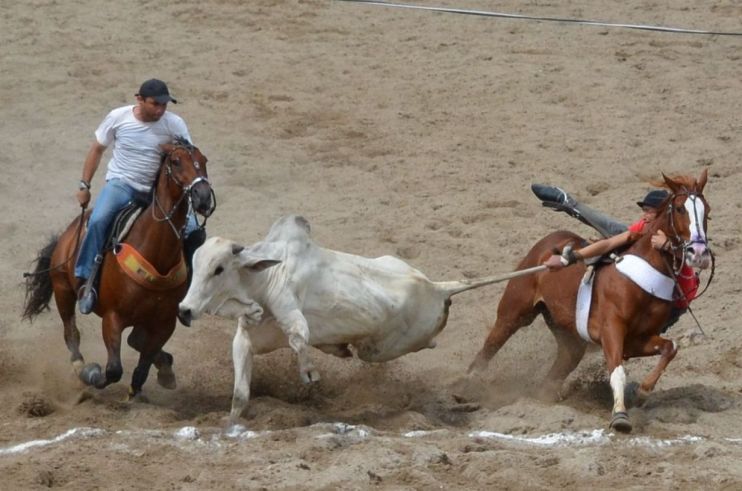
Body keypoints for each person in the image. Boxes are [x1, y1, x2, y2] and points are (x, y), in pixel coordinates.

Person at [74, 79, 205, 315]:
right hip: (123, 185)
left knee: (194, 231)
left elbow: (188, 156)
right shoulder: (118, 118)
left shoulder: (174, 124)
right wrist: (85, 185)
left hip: (157, 193)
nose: (161, 110)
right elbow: (97, 149)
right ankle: (86, 280)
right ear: (139, 99)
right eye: (155, 104)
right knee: (98, 220)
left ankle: (190, 288)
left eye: (165, 105)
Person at [532, 184, 700, 332]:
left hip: (669, 304)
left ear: (662, 214)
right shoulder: (645, 227)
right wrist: (574, 257)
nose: (644, 216)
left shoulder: (677, 233)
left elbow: (698, 260)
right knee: (613, 230)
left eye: (649, 211)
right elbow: (611, 242)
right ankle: (567, 202)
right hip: (650, 289)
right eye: (644, 211)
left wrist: (667, 246)